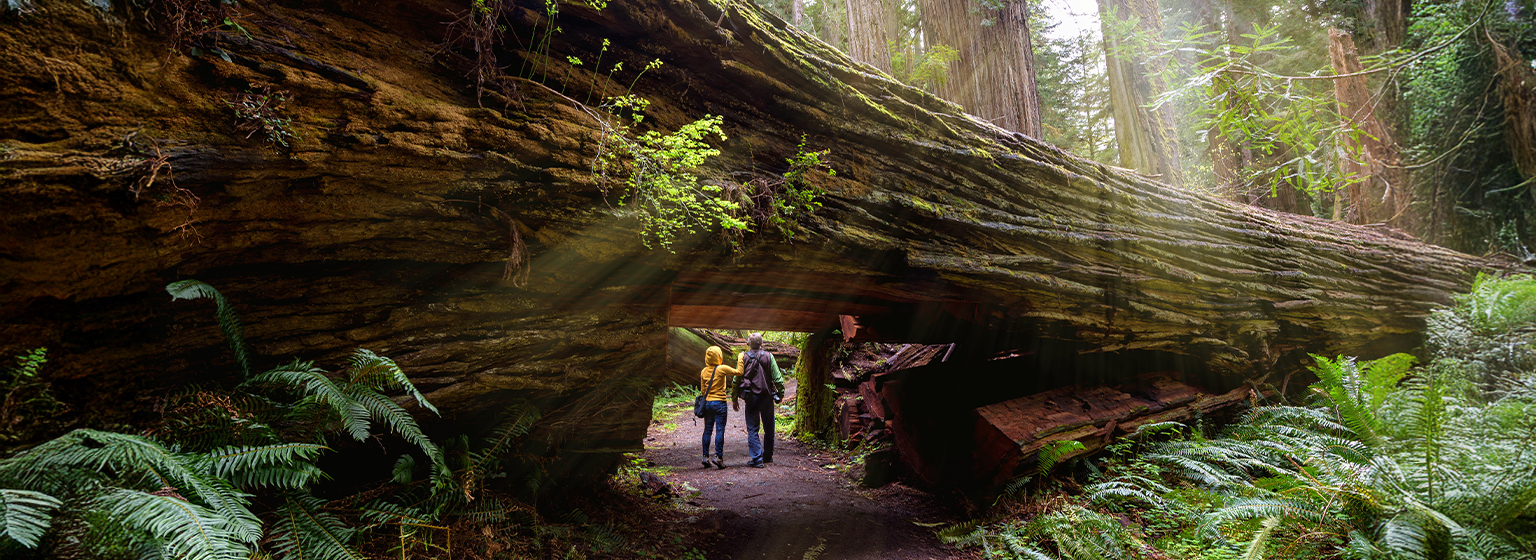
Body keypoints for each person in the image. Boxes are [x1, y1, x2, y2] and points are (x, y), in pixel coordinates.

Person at [732, 333, 784, 468]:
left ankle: (757, 458)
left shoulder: (743, 357)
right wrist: (781, 393)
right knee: (769, 427)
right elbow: (777, 378)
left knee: (753, 428)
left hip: (751, 398)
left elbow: (736, 379)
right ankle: (767, 456)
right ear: (762, 344)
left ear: (748, 344)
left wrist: (734, 398)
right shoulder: (769, 356)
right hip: (767, 397)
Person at [698, 345, 740, 469]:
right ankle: (718, 457)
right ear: (719, 356)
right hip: (720, 403)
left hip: (708, 403)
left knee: (707, 430)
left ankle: (705, 457)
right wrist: (741, 358)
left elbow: (702, 390)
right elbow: (739, 372)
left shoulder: (703, 371)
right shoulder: (722, 368)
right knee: (720, 430)